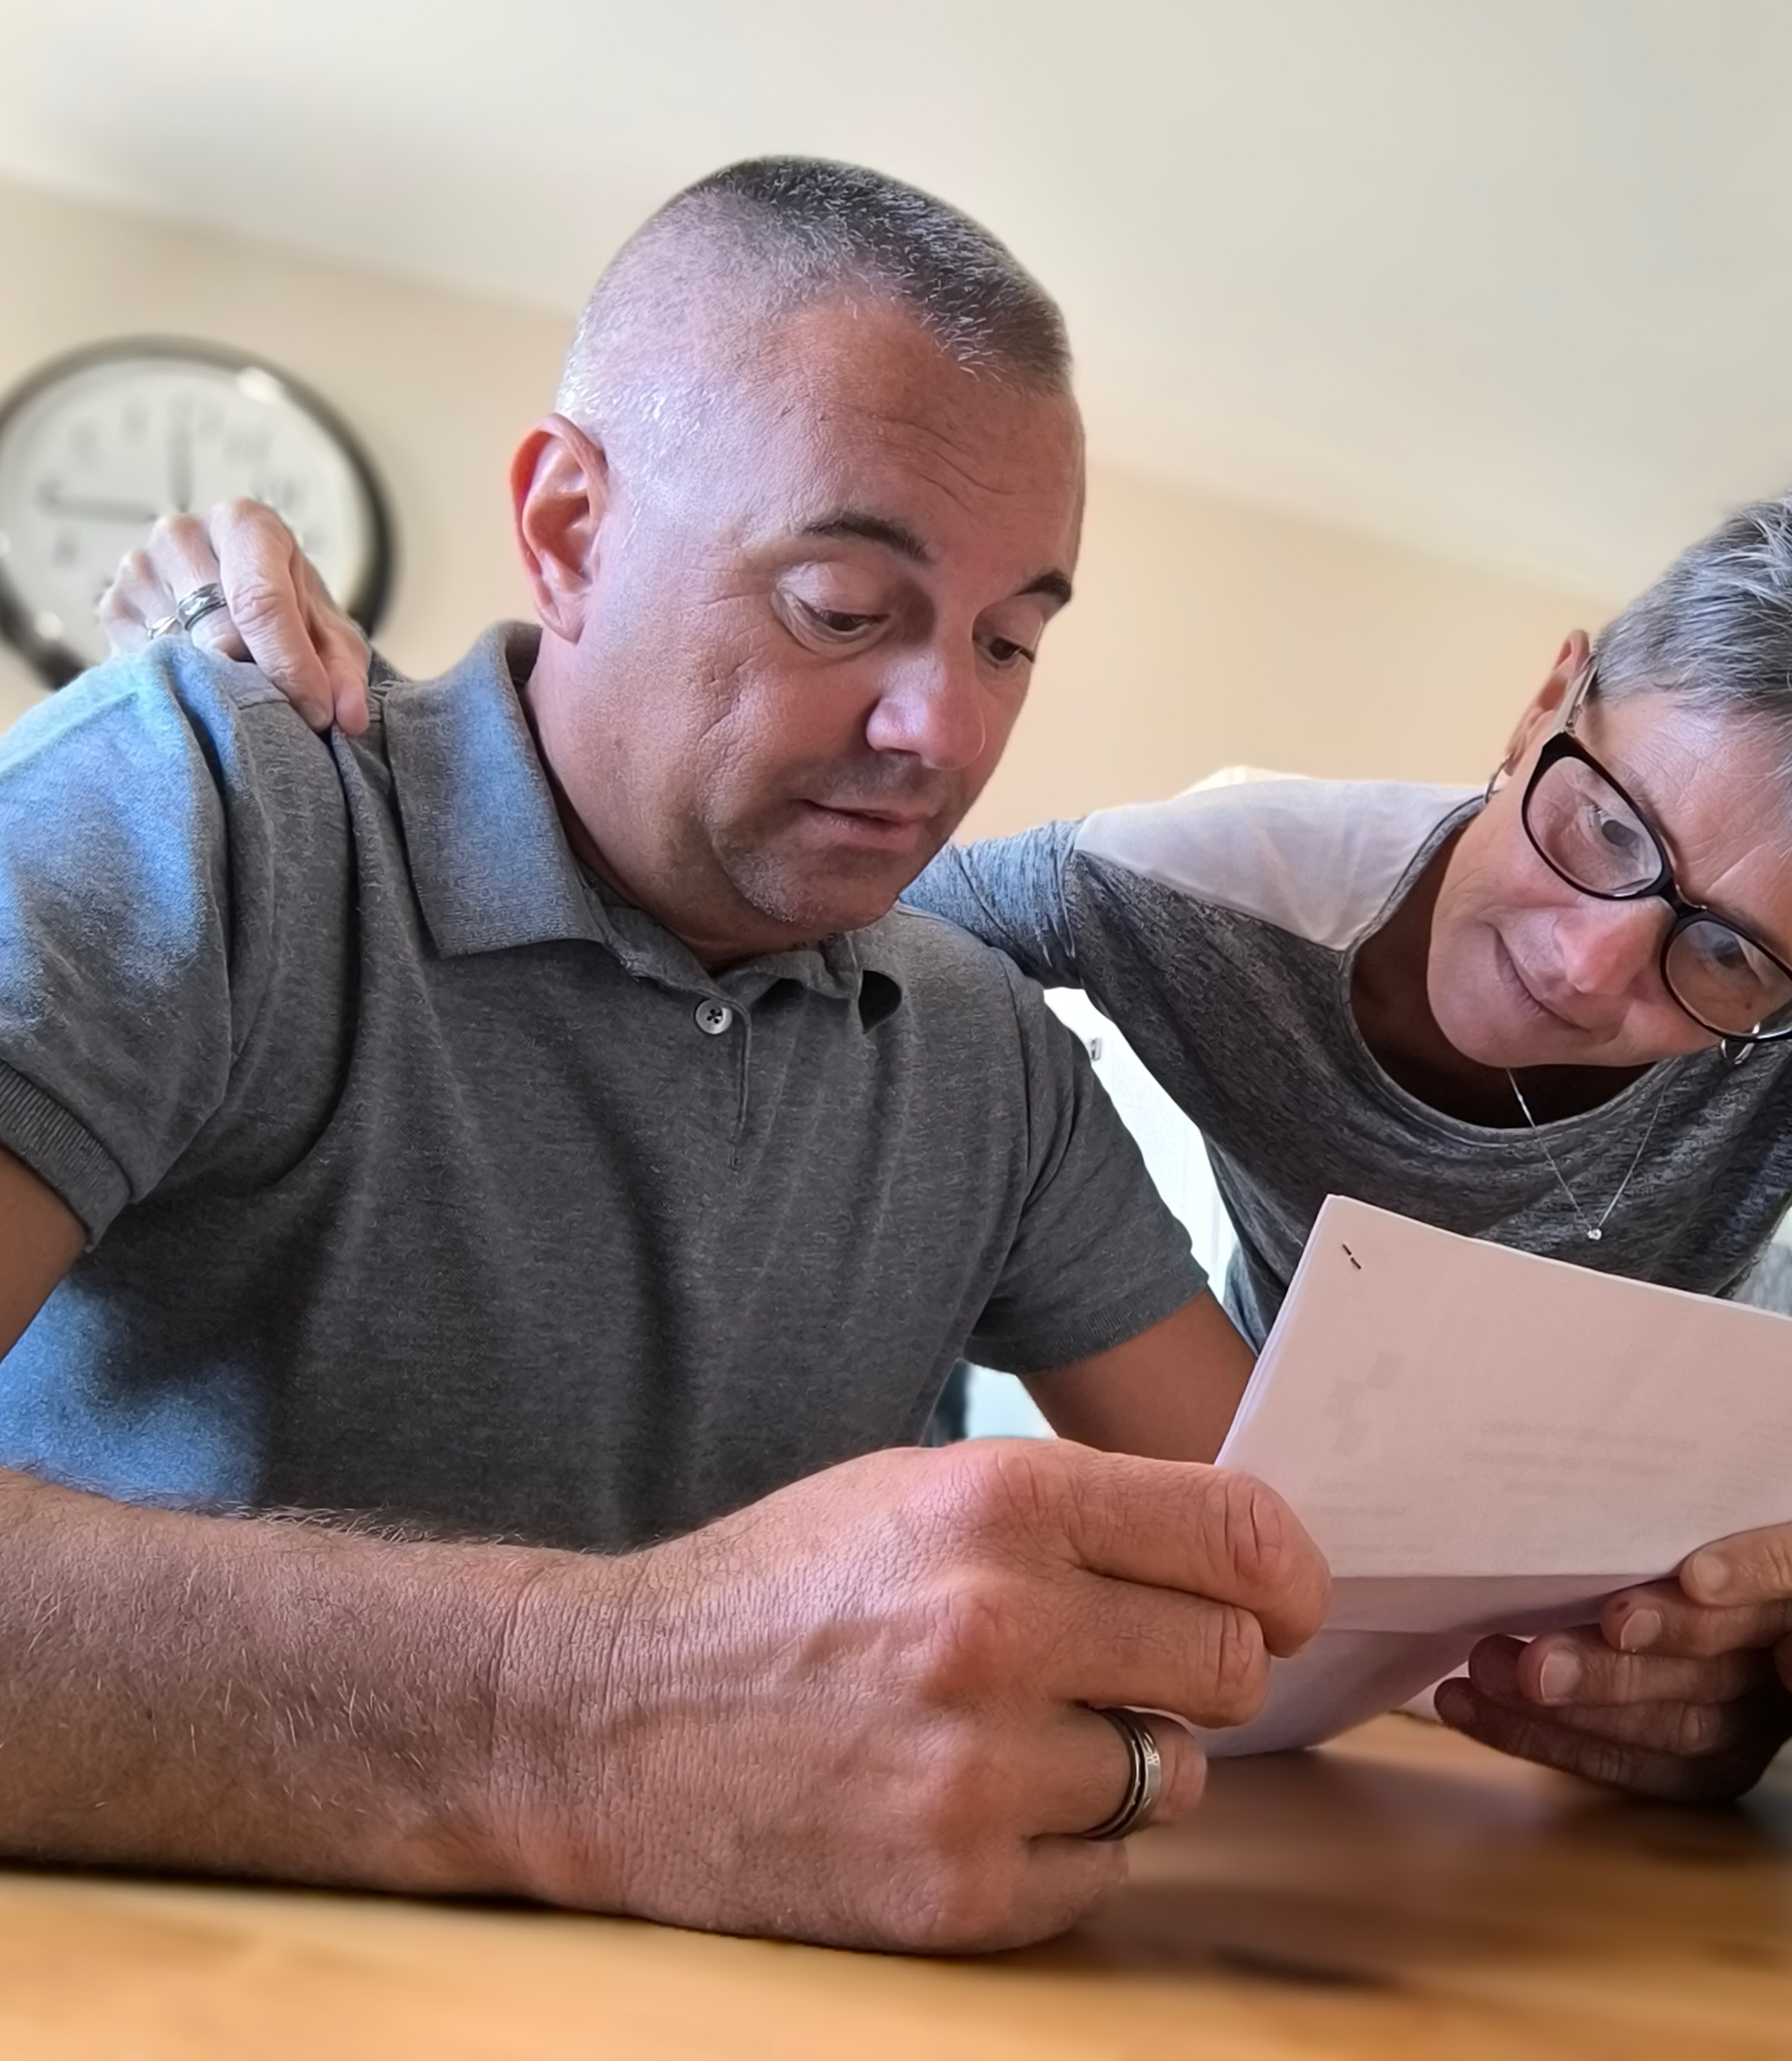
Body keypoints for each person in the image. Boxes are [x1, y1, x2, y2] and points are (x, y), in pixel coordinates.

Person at [197, 473, 1792, 1834]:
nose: (1590, 963)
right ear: (1545, 702)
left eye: (1725, 957)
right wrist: (394, 743)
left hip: (1680, 1562)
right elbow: (766, 888)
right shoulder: (1205, 889)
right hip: (1310, 1509)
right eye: (1603, 825)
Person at [0, 157, 1332, 1955]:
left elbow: (1306, 1570)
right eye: (845, 606)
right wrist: (582, 1719)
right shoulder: (208, 808)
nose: (943, 726)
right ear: (567, 527)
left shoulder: (982, 1054)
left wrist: (1672, 1653)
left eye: (1011, 639)